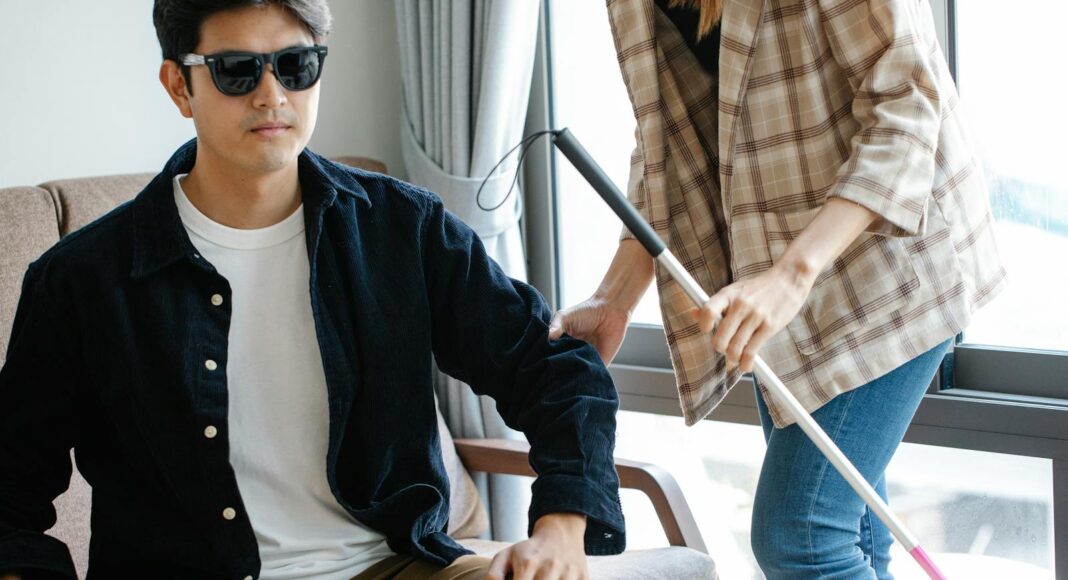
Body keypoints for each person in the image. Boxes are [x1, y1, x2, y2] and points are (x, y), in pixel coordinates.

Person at [0, 1, 624, 578]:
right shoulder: (81, 282)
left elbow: (553, 369)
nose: (273, 94)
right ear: (177, 86)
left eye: (296, 65)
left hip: (393, 567)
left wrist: (561, 526)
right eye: (236, 71)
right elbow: (11, 496)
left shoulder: (402, 231)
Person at [549, 0, 1005, 577]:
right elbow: (667, 138)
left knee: (802, 536)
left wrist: (791, 275)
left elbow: (909, 106)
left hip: (895, 257)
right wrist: (615, 298)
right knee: (849, 538)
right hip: (786, 282)